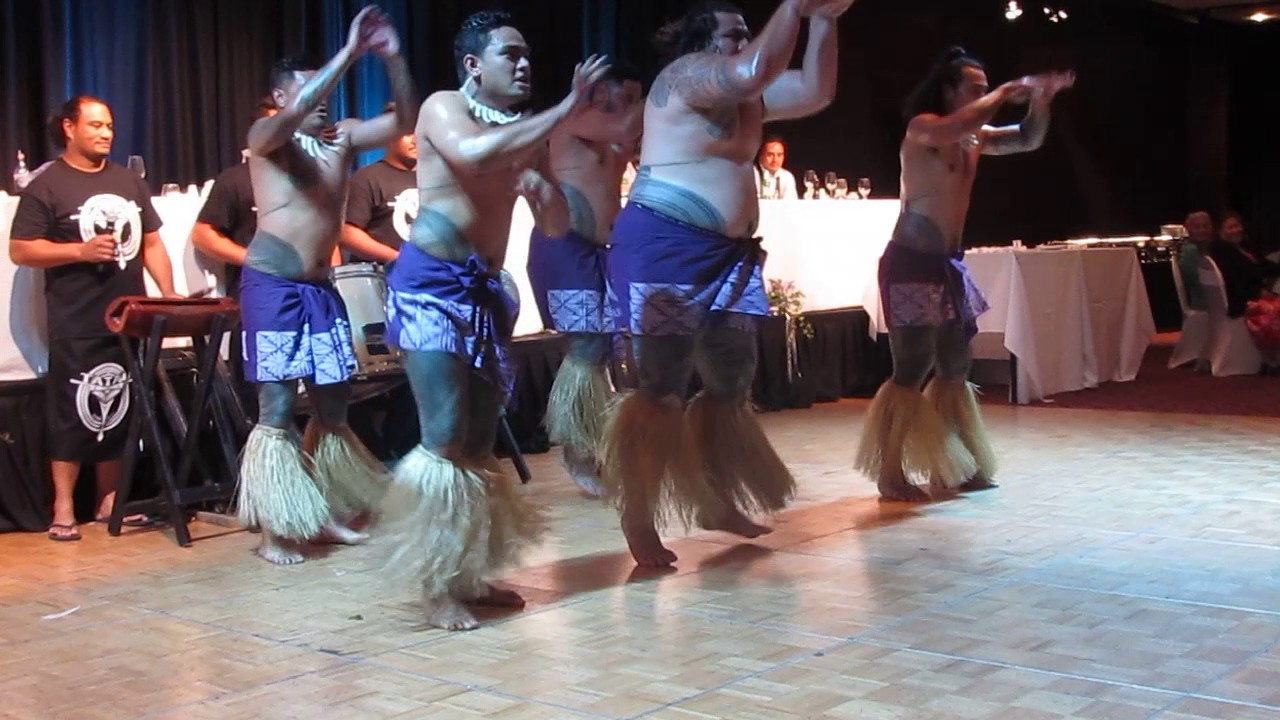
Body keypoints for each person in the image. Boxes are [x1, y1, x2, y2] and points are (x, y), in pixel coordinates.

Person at [600, 0, 852, 567]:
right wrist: (795, 5)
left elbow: (816, 90)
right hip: (665, 248)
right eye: (733, 34)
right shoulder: (685, 76)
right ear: (700, 42)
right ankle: (638, 513)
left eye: (746, 33)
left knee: (732, 377)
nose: (745, 41)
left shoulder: (746, 94)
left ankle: (713, 498)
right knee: (661, 385)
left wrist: (825, 20)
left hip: (729, 259)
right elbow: (754, 69)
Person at [379, 10, 608, 631]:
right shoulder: (443, 106)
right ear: (474, 65)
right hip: (429, 288)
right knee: (445, 433)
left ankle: (468, 574)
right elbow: (474, 156)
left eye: (527, 53)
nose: (525, 63)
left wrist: (544, 190)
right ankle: (435, 586)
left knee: (480, 440)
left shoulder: (526, 132)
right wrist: (568, 107)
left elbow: (557, 225)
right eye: (511, 54)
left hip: (484, 294)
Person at [236, 5, 417, 565]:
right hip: (272, 288)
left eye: (328, 92)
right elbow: (292, 116)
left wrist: (391, 59)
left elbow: (405, 120)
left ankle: (326, 513)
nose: (324, 101)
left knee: (333, 407)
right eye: (309, 91)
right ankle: (275, 530)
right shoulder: (267, 138)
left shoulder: (344, 139)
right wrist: (348, 52)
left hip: (320, 291)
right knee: (276, 410)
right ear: (280, 97)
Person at [855, 47, 1073, 502]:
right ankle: (890, 471)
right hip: (912, 262)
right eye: (975, 88)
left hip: (948, 265)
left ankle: (957, 465)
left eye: (986, 87)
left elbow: (1028, 139)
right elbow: (957, 125)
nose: (983, 94)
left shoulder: (975, 138)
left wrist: (1041, 101)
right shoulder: (924, 129)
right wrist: (1006, 92)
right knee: (912, 365)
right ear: (949, 90)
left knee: (956, 365)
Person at [9, 96, 179, 541]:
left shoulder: (128, 181)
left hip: (128, 315)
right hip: (76, 318)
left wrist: (168, 293)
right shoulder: (48, 185)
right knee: (72, 410)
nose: (106, 134)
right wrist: (79, 251)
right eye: (96, 125)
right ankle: (63, 506)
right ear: (69, 127)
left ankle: (109, 500)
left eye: (109, 126)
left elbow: (152, 242)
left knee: (121, 404)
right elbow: (21, 249)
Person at [527, 64, 644, 496]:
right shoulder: (576, 118)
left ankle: (608, 447)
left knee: (613, 350)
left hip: (604, 251)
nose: (632, 105)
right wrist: (675, 84)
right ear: (600, 93)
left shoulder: (615, 132)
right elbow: (629, 125)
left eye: (636, 97)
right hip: (564, 245)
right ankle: (578, 450)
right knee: (587, 347)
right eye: (626, 96)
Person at [340, 102, 418, 264]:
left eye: (419, 132)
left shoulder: (435, 179)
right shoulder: (367, 178)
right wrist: (398, 259)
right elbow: (348, 233)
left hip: (429, 274)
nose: (415, 140)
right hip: (382, 274)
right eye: (407, 133)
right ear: (388, 136)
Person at [1210, 212, 1280, 369]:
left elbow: (1264, 265)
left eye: (1237, 226)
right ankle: (1270, 358)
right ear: (1220, 232)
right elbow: (1235, 282)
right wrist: (1259, 293)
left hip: (1251, 293)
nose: (1236, 230)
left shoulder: (1244, 246)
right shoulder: (1222, 251)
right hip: (1239, 300)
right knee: (1276, 309)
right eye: (1230, 227)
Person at [754, 135, 798, 199]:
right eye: (770, 155)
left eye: (779, 155)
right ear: (760, 156)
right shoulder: (751, 175)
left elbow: (790, 203)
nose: (775, 160)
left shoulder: (787, 177)